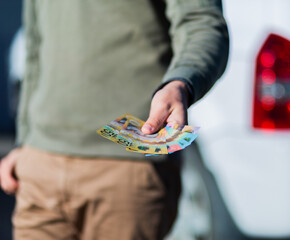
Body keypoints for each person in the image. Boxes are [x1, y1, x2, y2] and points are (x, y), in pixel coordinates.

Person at [0, 0, 229, 239]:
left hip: (129, 162)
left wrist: (181, 82)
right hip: (41, 162)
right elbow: (35, 47)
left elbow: (202, 23)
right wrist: (24, 141)